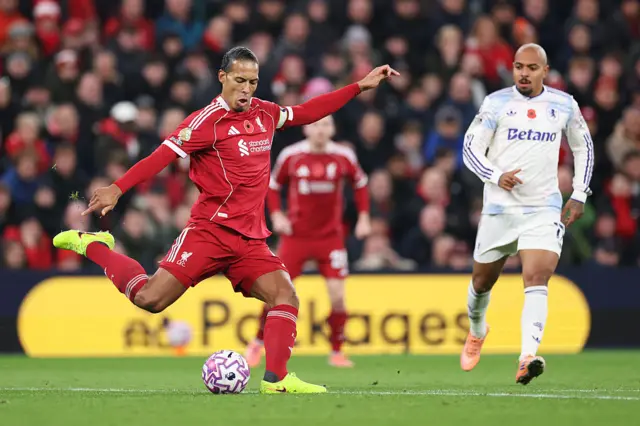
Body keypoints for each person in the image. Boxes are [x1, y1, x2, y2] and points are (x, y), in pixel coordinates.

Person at [53, 46, 398, 394]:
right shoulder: (205, 122)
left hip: (249, 239)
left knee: (285, 296)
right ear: (222, 78)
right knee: (149, 300)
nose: (247, 89)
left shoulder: (265, 113)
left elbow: (308, 112)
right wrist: (118, 187)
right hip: (209, 232)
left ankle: (276, 380)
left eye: (253, 81)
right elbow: (160, 156)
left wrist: (359, 86)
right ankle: (97, 246)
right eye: (240, 80)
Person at [459, 43, 593, 385]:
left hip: (542, 207)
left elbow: (583, 146)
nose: (523, 72)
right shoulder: (496, 102)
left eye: (531, 67)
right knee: (481, 281)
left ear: (544, 71)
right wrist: (494, 175)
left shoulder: (563, 104)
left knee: (537, 277)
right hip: (500, 209)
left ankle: (527, 356)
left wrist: (578, 193)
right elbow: (470, 148)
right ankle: (477, 330)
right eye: (519, 66)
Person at [244, 115, 371, 369]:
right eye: (315, 125)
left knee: (338, 297)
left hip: (330, 237)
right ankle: (257, 343)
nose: (320, 130)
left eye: (325, 125)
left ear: (332, 129)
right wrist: (277, 215)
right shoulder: (292, 156)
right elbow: (273, 185)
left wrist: (364, 218)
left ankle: (336, 351)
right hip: (296, 237)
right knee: (276, 292)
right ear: (306, 129)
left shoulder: (344, 156)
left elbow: (360, 184)